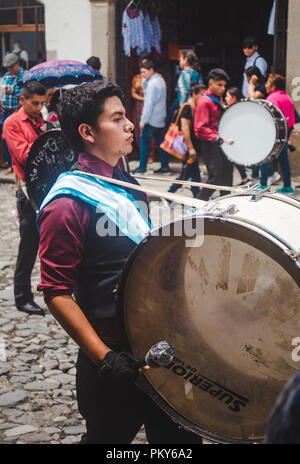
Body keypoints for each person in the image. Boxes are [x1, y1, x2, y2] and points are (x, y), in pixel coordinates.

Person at [37, 80, 202, 444]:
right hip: (112, 359)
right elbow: (56, 292)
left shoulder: (128, 184)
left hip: (163, 348)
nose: (130, 125)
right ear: (87, 132)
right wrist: (105, 359)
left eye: (126, 116)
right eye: (118, 118)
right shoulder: (66, 205)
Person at [2, 81, 47, 316]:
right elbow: (23, 154)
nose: (39, 108)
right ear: (22, 100)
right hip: (27, 191)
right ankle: (22, 297)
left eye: (42, 103)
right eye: (34, 103)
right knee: (28, 245)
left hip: (47, 187)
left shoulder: (41, 120)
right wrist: (46, 141)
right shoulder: (12, 123)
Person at [194, 68, 233, 201]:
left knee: (227, 175)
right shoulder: (205, 102)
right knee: (215, 176)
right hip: (211, 143)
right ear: (210, 84)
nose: (223, 88)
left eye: (224, 85)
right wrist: (216, 137)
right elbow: (199, 128)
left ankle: (226, 204)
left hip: (222, 143)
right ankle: (198, 204)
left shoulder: (219, 100)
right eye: (219, 85)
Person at [168, 83, 206, 199]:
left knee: (186, 175)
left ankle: (169, 195)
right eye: (201, 94)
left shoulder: (195, 107)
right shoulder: (188, 107)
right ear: (194, 94)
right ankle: (196, 200)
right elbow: (185, 128)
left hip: (191, 147)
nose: (203, 97)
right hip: (187, 148)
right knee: (194, 176)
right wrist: (191, 148)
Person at [258, 74, 295, 194]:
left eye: (268, 83)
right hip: (286, 131)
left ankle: (263, 185)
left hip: (275, 131)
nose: (265, 85)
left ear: (273, 86)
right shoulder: (286, 97)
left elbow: (268, 117)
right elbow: (292, 119)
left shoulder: (272, 98)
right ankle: (288, 186)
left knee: (266, 155)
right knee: (283, 158)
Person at [132, 60, 169, 174]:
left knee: (144, 141)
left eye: (144, 72)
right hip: (160, 118)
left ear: (151, 70)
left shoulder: (152, 84)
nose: (142, 75)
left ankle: (142, 166)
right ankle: (165, 166)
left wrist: (143, 121)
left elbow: (148, 104)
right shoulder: (160, 80)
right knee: (160, 143)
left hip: (152, 119)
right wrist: (145, 79)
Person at [0, 53, 25, 174]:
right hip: (5, 111)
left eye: (11, 67)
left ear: (17, 64)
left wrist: (10, 90)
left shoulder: (24, 75)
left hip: (17, 111)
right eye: (7, 67)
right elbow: (1, 90)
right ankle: (10, 165)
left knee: (17, 140)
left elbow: (24, 92)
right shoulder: (6, 76)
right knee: (5, 139)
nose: (9, 69)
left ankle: (18, 166)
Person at [225, 87, 250, 186]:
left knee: (233, 158)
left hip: (233, 139)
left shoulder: (234, 109)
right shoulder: (239, 107)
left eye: (227, 96)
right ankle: (244, 178)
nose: (225, 98)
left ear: (234, 98)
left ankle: (243, 178)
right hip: (234, 138)